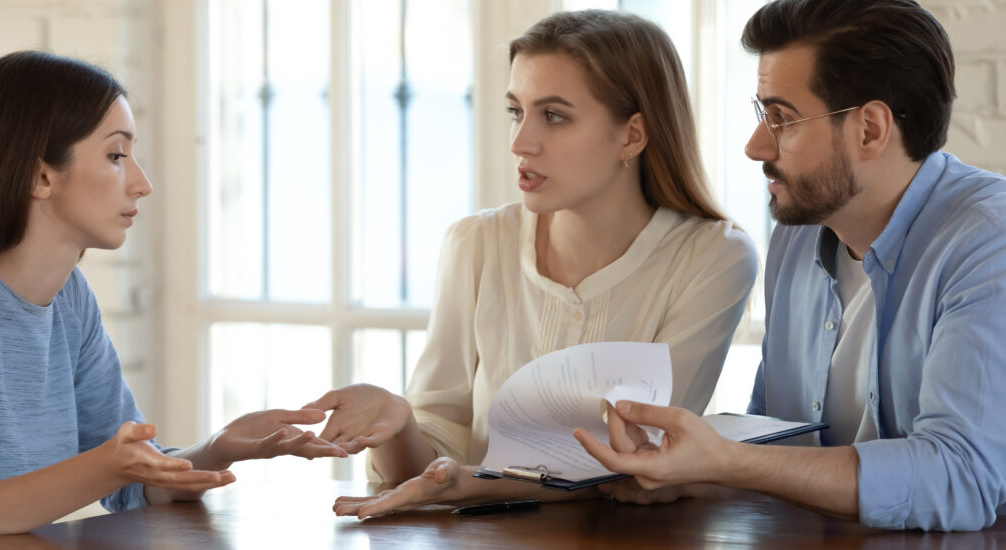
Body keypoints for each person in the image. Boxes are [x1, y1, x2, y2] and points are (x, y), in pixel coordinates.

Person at [571, 0, 1006, 532]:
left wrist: (729, 462)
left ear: (870, 129)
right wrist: (688, 468)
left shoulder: (988, 242)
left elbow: (962, 477)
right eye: (761, 115)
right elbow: (779, 441)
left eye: (782, 119)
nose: (756, 147)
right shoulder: (796, 239)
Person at [320, 9, 758, 515]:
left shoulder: (714, 258)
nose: (520, 143)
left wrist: (468, 483)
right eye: (515, 111)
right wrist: (398, 426)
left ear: (633, 136)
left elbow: (641, 464)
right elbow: (428, 469)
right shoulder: (476, 244)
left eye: (553, 115)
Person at [0, 51, 347, 548]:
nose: (142, 183)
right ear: (41, 177)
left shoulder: (70, 298)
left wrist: (218, 446)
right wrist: (103, 466)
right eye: (117, 155)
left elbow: (135, 484)